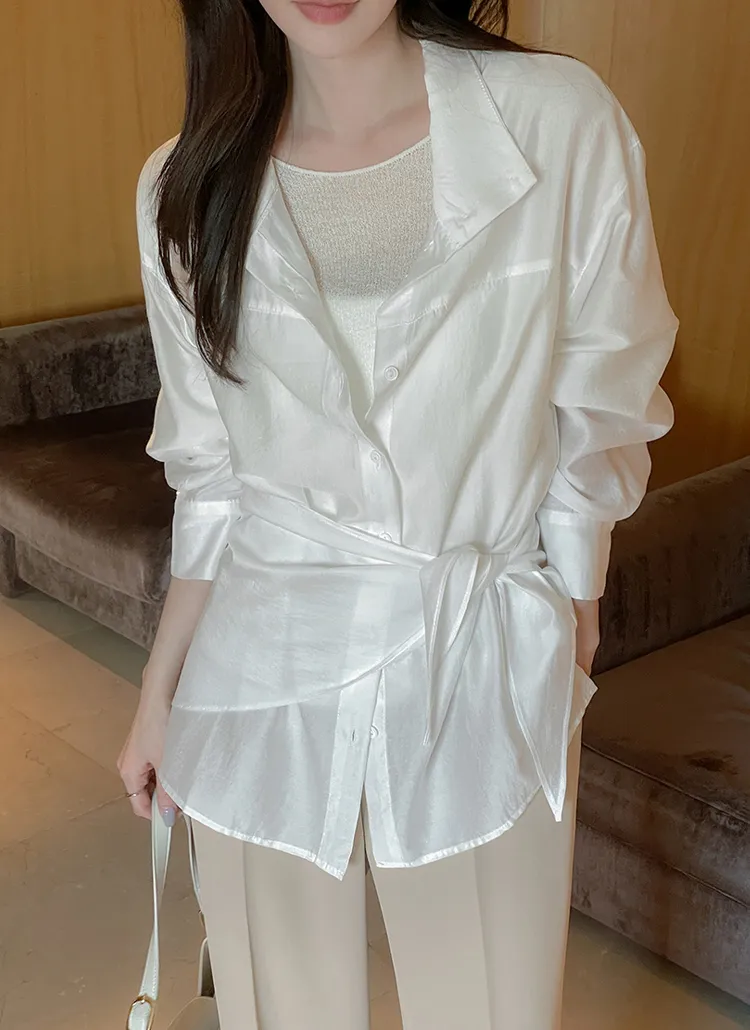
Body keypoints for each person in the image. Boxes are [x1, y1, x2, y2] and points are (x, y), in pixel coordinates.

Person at [118, 0, 678, 1025]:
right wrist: (160, 693)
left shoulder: (558, 122)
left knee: (493, 1003)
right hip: (258, 673)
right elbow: (211, 480)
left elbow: (602, 391)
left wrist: (576, 601)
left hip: (483, 653)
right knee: (278, 1003)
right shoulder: (184, 187)